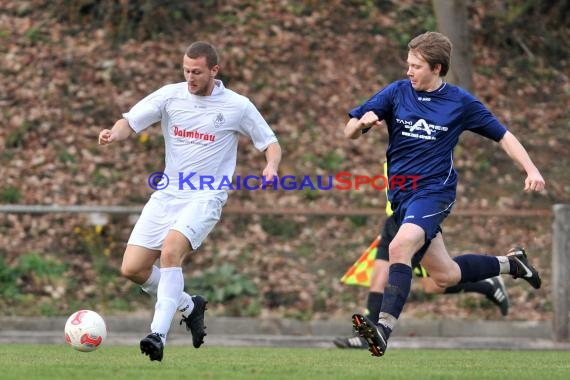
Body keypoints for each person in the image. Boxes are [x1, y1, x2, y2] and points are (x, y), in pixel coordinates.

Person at [344, 31, 545, 357]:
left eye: (416, 66)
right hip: (402, 198)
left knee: (399, 246)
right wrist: (362, 124)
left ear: (437, 68)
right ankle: (512, 265)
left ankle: (382, 329)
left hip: (434, 191)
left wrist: (532, 169)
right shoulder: (397, 92)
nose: (409, 71)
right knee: (445, 275)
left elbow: (504, 136)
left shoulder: (460, 103)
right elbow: (349, 131)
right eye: (408, 64)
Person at [98, 41, 281, 361]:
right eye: (185, 70)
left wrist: (271, 165)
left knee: (170, 252)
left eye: (196, 72)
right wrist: (114, 134)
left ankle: (157, 334)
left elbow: (270, 143)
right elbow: (130, 120)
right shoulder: (171, 95)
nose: (190, 77)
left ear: (214, 70)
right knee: (133, 269)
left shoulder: (238, 106)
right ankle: (189, 305)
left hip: (207, 194)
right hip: (168, 193)